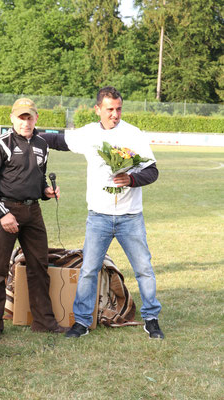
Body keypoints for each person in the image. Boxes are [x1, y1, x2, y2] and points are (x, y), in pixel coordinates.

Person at [64, 86, 164, 339]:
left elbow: (152, 172)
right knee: (88, 270)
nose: (115, 114)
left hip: (131, 216)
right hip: (98, 216)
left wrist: (131, 180)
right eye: (110, 109)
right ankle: (83, 321)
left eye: (119, 109)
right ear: (98, 109)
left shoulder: (133, 134)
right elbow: (59, 141)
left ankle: (151, 318)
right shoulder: (87, 133)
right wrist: (30, 134)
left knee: (143, 269)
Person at [0, 98, 68, 342]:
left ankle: (44, 321)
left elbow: (37, 180)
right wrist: (2, 213)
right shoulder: (0, 145)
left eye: (29, 117)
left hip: (33, 212)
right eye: (21, 117)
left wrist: (46, 193)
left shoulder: (42, 144)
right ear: (12, 118)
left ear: (36, 118)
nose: (25, 122)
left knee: (39, 266)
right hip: (4, 211)